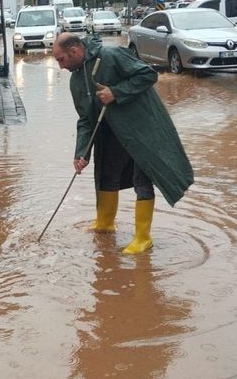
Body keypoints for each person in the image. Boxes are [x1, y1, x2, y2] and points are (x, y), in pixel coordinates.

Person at [52, 33, 193, 254]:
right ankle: (106, 224)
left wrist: (116, 93)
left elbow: (147, 74)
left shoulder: (111, 56)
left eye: (61, 60)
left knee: (142, 180)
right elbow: (85, 120)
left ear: (74, 52)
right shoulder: (76, 81)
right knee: (106, 175)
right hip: (110, 133)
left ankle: (143, 238)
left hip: (140, 130)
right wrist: (81, 152)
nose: (60, 66)